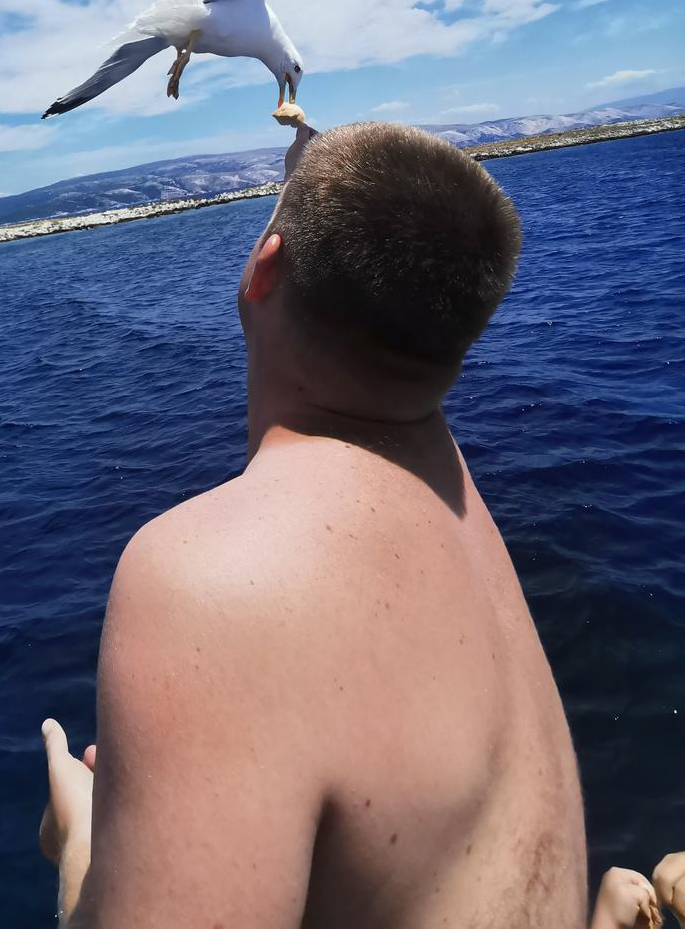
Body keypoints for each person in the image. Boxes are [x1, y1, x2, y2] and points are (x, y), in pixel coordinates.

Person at [38, 119, 595, 927]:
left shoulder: (209, 580)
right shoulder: (450, 487)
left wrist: (81, 842)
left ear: (265, 270)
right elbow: (407, 235)